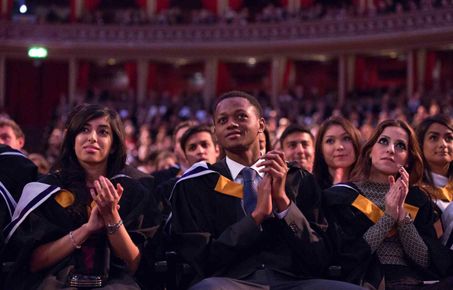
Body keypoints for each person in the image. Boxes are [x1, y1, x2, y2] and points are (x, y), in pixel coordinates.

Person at [170, 91, 362, 290]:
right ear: (216, 132)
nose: (231, 124)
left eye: (241, 116)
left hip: (293, 281)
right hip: (230, 282)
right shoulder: (198, 185)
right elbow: (203, 261)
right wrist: (255, 218)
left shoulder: (297, 179)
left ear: (261, 125)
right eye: (223, 120)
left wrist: (283, 204)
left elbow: (319, 257)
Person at [3, 104, 149, 289]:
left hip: (115, 283)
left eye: (103, 132)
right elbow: (33, 262)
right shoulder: (46, 189)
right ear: (72, 139)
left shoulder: (131, 190)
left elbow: (133, 263)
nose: (92, 138)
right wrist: (86, 229)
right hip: (57, 280)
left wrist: (112, 216)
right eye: (84, 130)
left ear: (113, 145)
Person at [324, 119, 451, 289]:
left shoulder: (417, 199)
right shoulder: (342, 196)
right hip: (365, 280)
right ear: (370, 151)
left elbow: (425, 260)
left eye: (400, 146)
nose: (391, 149)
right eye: (383, 141)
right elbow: (348, 256)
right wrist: (388, 218)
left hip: (413, 281)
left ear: (407, 160)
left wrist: (402, 217)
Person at [416, 115, 453, 249]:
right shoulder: (413, 191)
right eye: (433, 137)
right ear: (420, 145)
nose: (443, 144)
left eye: (449, 138)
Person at [313, 116, 362, 190]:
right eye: (330, 141)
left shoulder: (372, 187)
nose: (340, 147)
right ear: (320, 149)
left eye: (346, 138)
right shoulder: (310, 188)